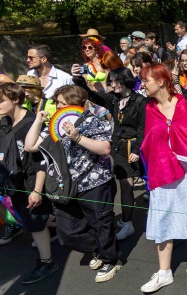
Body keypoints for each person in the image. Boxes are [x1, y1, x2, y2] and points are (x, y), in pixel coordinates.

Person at [24, 85, 119, 283]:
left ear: (78, 105)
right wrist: (38, 121)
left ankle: (110, 259)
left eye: (62, 103)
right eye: (57, 103)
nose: (58, 107)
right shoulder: (56, 124)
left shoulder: (93, 121)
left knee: (100, 223)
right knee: (67, 231)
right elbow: (30, 145)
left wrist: (78, 137)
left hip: (96, 183)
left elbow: (104, 148)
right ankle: (98, 248)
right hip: (68, 186)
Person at [138, 63, 187, 293]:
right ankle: (164, 272)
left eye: (146, 80)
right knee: (161, 219)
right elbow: (150, 141)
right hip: (161, 171)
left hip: (186, 170)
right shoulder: (149, 108)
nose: (143, 84)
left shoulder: (181, 105)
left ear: (160, 81)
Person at [71, 66, 146, 241]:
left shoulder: (140, 101)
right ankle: (127, 220)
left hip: (131, 147)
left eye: (115, 81)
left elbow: (143, 128)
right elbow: (92, 95)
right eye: (110, 81)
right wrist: (79, 80)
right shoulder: (114, 99)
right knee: (122, 185)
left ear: (125, 80)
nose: (112, 85)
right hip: (117, 147)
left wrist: (136, 149)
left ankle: (128, 223)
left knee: (127, 187)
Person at [0, 83, 58, 283]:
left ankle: (47, 262)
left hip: (30, 183)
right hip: (13, 182)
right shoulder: (5, 123)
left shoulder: (31, 123)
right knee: (32, 220)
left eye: (1, 101)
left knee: (35, 225)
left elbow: (40, 163)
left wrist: (37, 190)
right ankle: (59, 225)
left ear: (15, 99)